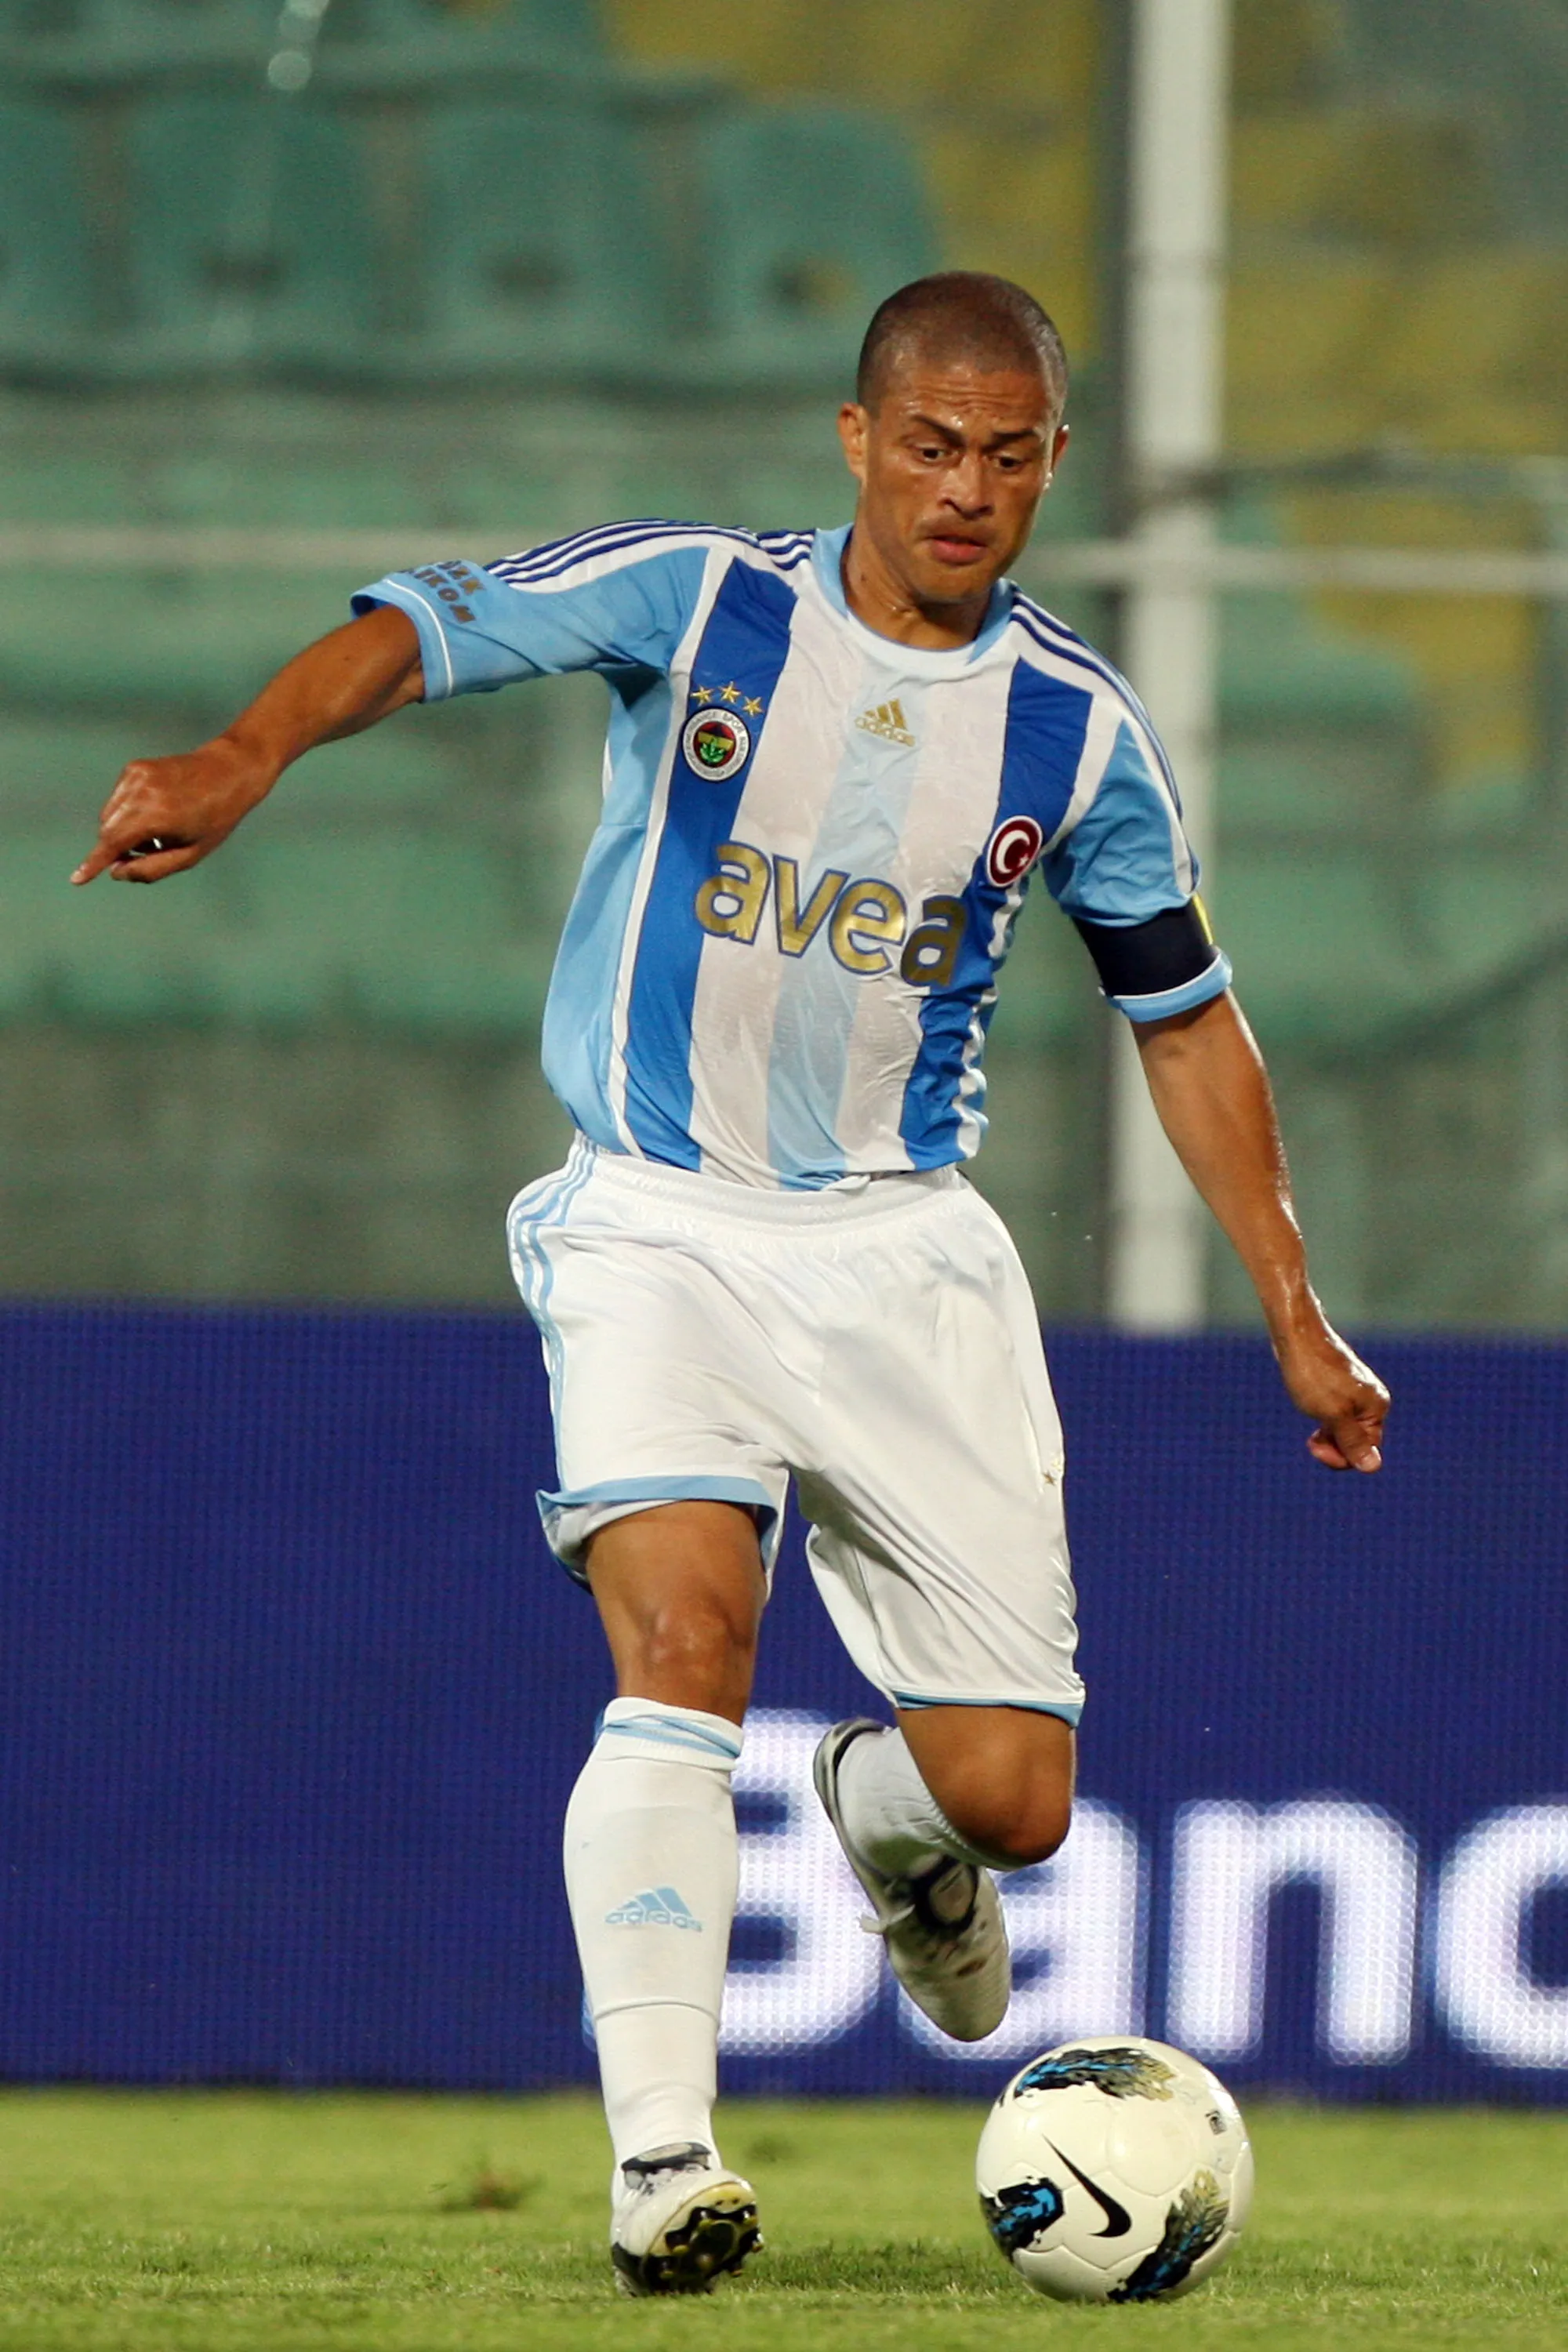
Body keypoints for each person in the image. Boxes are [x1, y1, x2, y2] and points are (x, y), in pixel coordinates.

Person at [75, 272, 1388, 2298]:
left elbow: (1188, 1020)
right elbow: (421, 626)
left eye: (1011, 453)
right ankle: (665, 2166)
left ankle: (887, 1813)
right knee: (685, 1646)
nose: (967, 488)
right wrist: (249, 756)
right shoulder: (695, 600)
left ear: (1055, 464)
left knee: (1014, 1803)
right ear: (857, 441)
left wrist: (1294, 1305)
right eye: (931, 443)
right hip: (657, 1225)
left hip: (902, 1257)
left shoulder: (1075, 726)